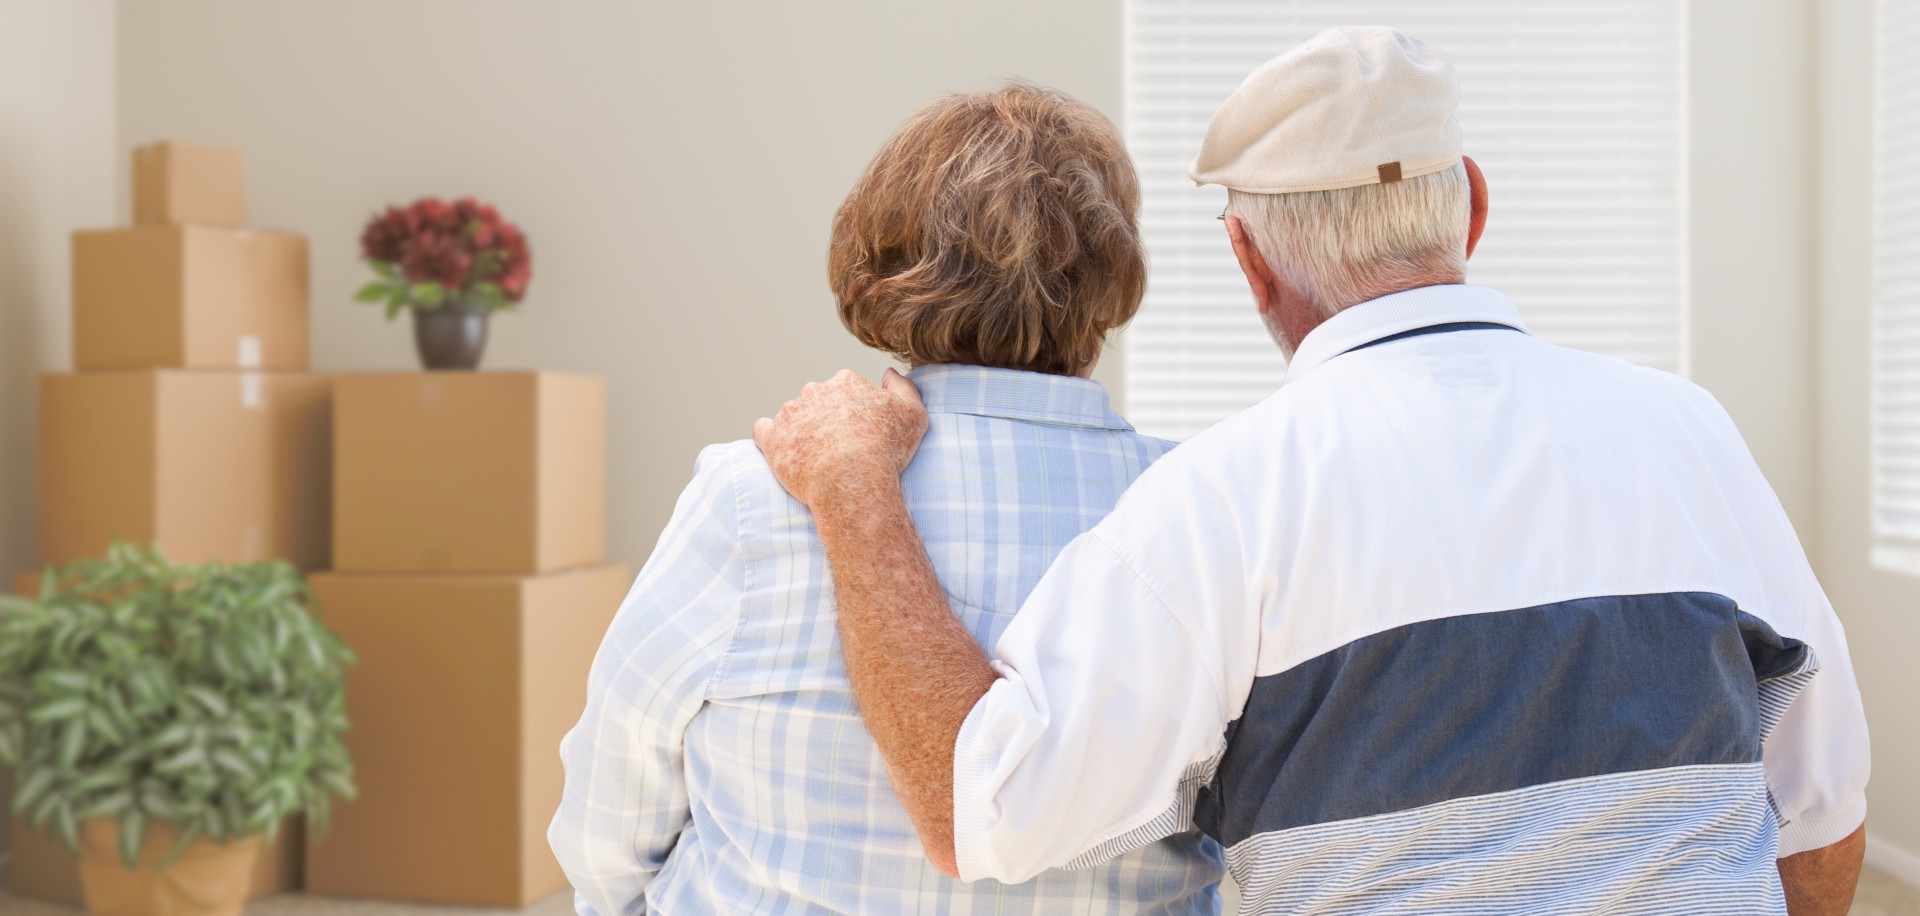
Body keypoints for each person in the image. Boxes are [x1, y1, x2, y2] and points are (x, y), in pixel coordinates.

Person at [750, 27, 1873, 915]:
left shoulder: (1225, 499)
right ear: (1472, 204)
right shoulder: (1688, 432)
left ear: (1248, 260)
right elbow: (1821, 828)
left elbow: (980, 810)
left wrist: (854, 487)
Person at [547, 84, 1225, 914]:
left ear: (885, 264)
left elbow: (611, 800)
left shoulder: (755, 495)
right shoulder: (1204, 509)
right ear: (1113, 278)